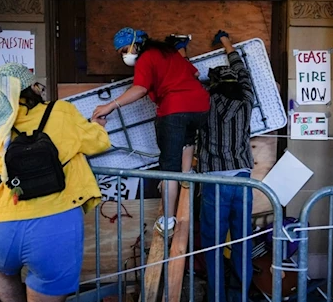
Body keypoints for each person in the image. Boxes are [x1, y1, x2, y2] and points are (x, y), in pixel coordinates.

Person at [0, 63, 110, 302]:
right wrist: (98, 126)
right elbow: (98, 143)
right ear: (32, 88)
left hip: (5, 225)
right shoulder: (61, 111)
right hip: (57, 226)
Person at [92, 28, 209, 237]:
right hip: (200, 106)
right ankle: (187, 176)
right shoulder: (168, 52)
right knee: (188, 138)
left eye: (124, 50)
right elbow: (196, 73)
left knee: (167, 169)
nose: (124, 55)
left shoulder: (146, 57)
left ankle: (168, 220)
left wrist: (110, 106)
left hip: (174, 109)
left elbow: (140, 89)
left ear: (136, 43)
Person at [197, 31, 255, 302]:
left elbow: (186, 81)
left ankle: (216, 297)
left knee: (213, 245)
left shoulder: (204, 103)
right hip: (243, 181)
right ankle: (242, 295)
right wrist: (226, 44)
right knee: (243, 241)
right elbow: (242, 70)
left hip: (215, 182)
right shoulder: (246, 101)